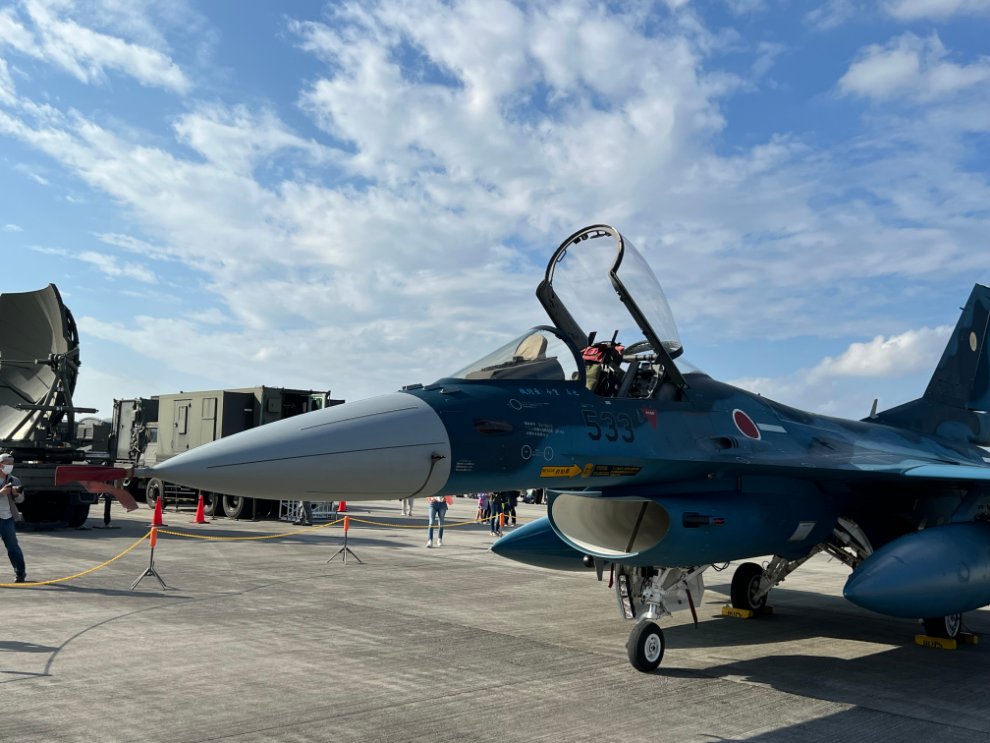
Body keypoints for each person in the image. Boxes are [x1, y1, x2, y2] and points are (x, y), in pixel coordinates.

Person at [0, 454, 26, 583]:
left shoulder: (14, 480)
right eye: (7, 463)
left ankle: (20, 573)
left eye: (12, 463)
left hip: (7, 518)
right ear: (0, 464)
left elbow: (21, 499)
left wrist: (15, 494)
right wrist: (1, 493)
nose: (10, 466)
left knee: (13, 547)